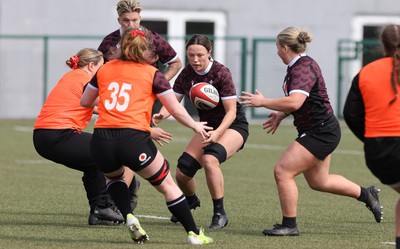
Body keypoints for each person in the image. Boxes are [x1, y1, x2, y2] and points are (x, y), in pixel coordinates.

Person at [240, 26, 383, 236]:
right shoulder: (298, 66)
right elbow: (306, 101)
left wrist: (263, 102)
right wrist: (281, 114)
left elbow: (296, 101)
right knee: (319, 181)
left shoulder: (303, 68)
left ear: (286, 47)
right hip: (321, 129)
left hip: (321, 131)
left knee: (282, 171)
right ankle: (367, 194)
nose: (277, 52)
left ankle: (289, 225)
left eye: (278, 48)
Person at [80, 28, 213, 245]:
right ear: (147, 51)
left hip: (102, 139)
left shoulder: (104, 70)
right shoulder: (152, 74)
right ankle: (194, 234)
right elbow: (176, 109)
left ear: (121, 47)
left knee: (113, 178)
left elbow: (85, 102)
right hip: (132, 139)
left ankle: (128, 215)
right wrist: (195, 125)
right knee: (167, 185)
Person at [152, 34, 249, 229]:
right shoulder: (187, 74)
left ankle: (219, 213)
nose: (195, 60)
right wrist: (160, 115)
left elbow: (231, 112)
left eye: (200, 55)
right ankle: (190, 201)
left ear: (209, 53)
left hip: (232, 126)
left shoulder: (221, 73)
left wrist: (218, 133)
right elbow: (173, 102)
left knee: (210, 160)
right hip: (206, 126)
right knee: (182, 172)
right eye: (191, 55)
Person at [97, 0, 183, 210]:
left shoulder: (152, 38)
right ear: (119, 20)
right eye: (126, 20)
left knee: (129, 148)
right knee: (122, 149)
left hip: (142, 103)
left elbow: (176, 63)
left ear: (140, 18)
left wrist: (157, 83)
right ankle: (126, 192)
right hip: (117, 104)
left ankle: (116, 201)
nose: (131, 24)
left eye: (135, 20)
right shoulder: (109, 42)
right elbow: (98, 72)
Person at [33, 48, 125, 225]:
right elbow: (109, 104)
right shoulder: (85, 79)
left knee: (93, 163)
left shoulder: (72, 76)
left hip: (44, 136)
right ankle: (104, 206)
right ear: (91, 66)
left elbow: (95, 106)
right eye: (101, 66)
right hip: (58, 134)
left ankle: (99, 213)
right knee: (103, 153)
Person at [343, 24, 400, 248]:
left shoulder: (365, 73)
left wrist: (371, 139)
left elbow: (351, 114)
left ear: (382, 45)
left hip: (378, 154)